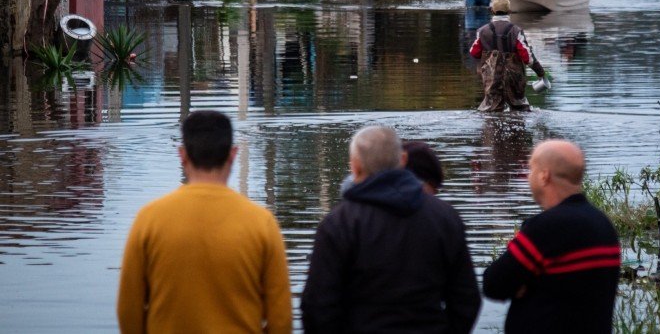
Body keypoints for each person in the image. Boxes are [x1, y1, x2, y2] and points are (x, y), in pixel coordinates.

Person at [117, 110, 292, 334]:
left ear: (182, 155)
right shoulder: (262, 223)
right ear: (233, 154)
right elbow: (281, 319)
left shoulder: (149, 220)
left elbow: (128, 310)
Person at [302, 126, 481, 333]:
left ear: (355, 167)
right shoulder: (445, 217)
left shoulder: (339, 223)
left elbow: (317, 306)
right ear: (403, 160)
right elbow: (467, 299)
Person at [483, 139, 621, 334]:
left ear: (544, 176)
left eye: (530, 169)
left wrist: (523, 283)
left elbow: (493, 284)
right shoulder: (604, 225)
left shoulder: (543, 228)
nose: (527, 176)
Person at [469, 0, 548, 112]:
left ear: (492, 11)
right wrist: (541, 73)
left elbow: (474, 52)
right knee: (519, 109)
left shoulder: (482, 31)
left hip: (491, 78)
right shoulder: (516, 31)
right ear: (510, 12)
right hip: (514, 77)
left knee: (491, 110)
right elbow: (528, 58)